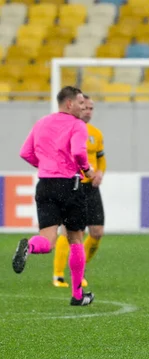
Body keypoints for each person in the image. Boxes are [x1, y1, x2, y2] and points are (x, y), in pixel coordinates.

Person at [13, 86, 96, 306]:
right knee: (75, 239)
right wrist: (87, 169)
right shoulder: (78, 125)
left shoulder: (42, 122)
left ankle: (29, 247)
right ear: (69, 104)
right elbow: (79, 152)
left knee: (47, 240)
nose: (83, 107)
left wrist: (47, 167)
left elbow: (25, 152)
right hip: (70, 186)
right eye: (80, 103)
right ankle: (78, 296)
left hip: (45, 184)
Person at [52, 95, 106, 288]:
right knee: (71, 231)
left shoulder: (96, 133)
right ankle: (58, 275)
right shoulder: (67, 130)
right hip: (73, 185)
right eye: (86, 108)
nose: (89, 111)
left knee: (97, 232)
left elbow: (100, 158)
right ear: (77, 107)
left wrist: (100, 172)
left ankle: (78, 270)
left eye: (92, 108)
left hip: (91, 187)